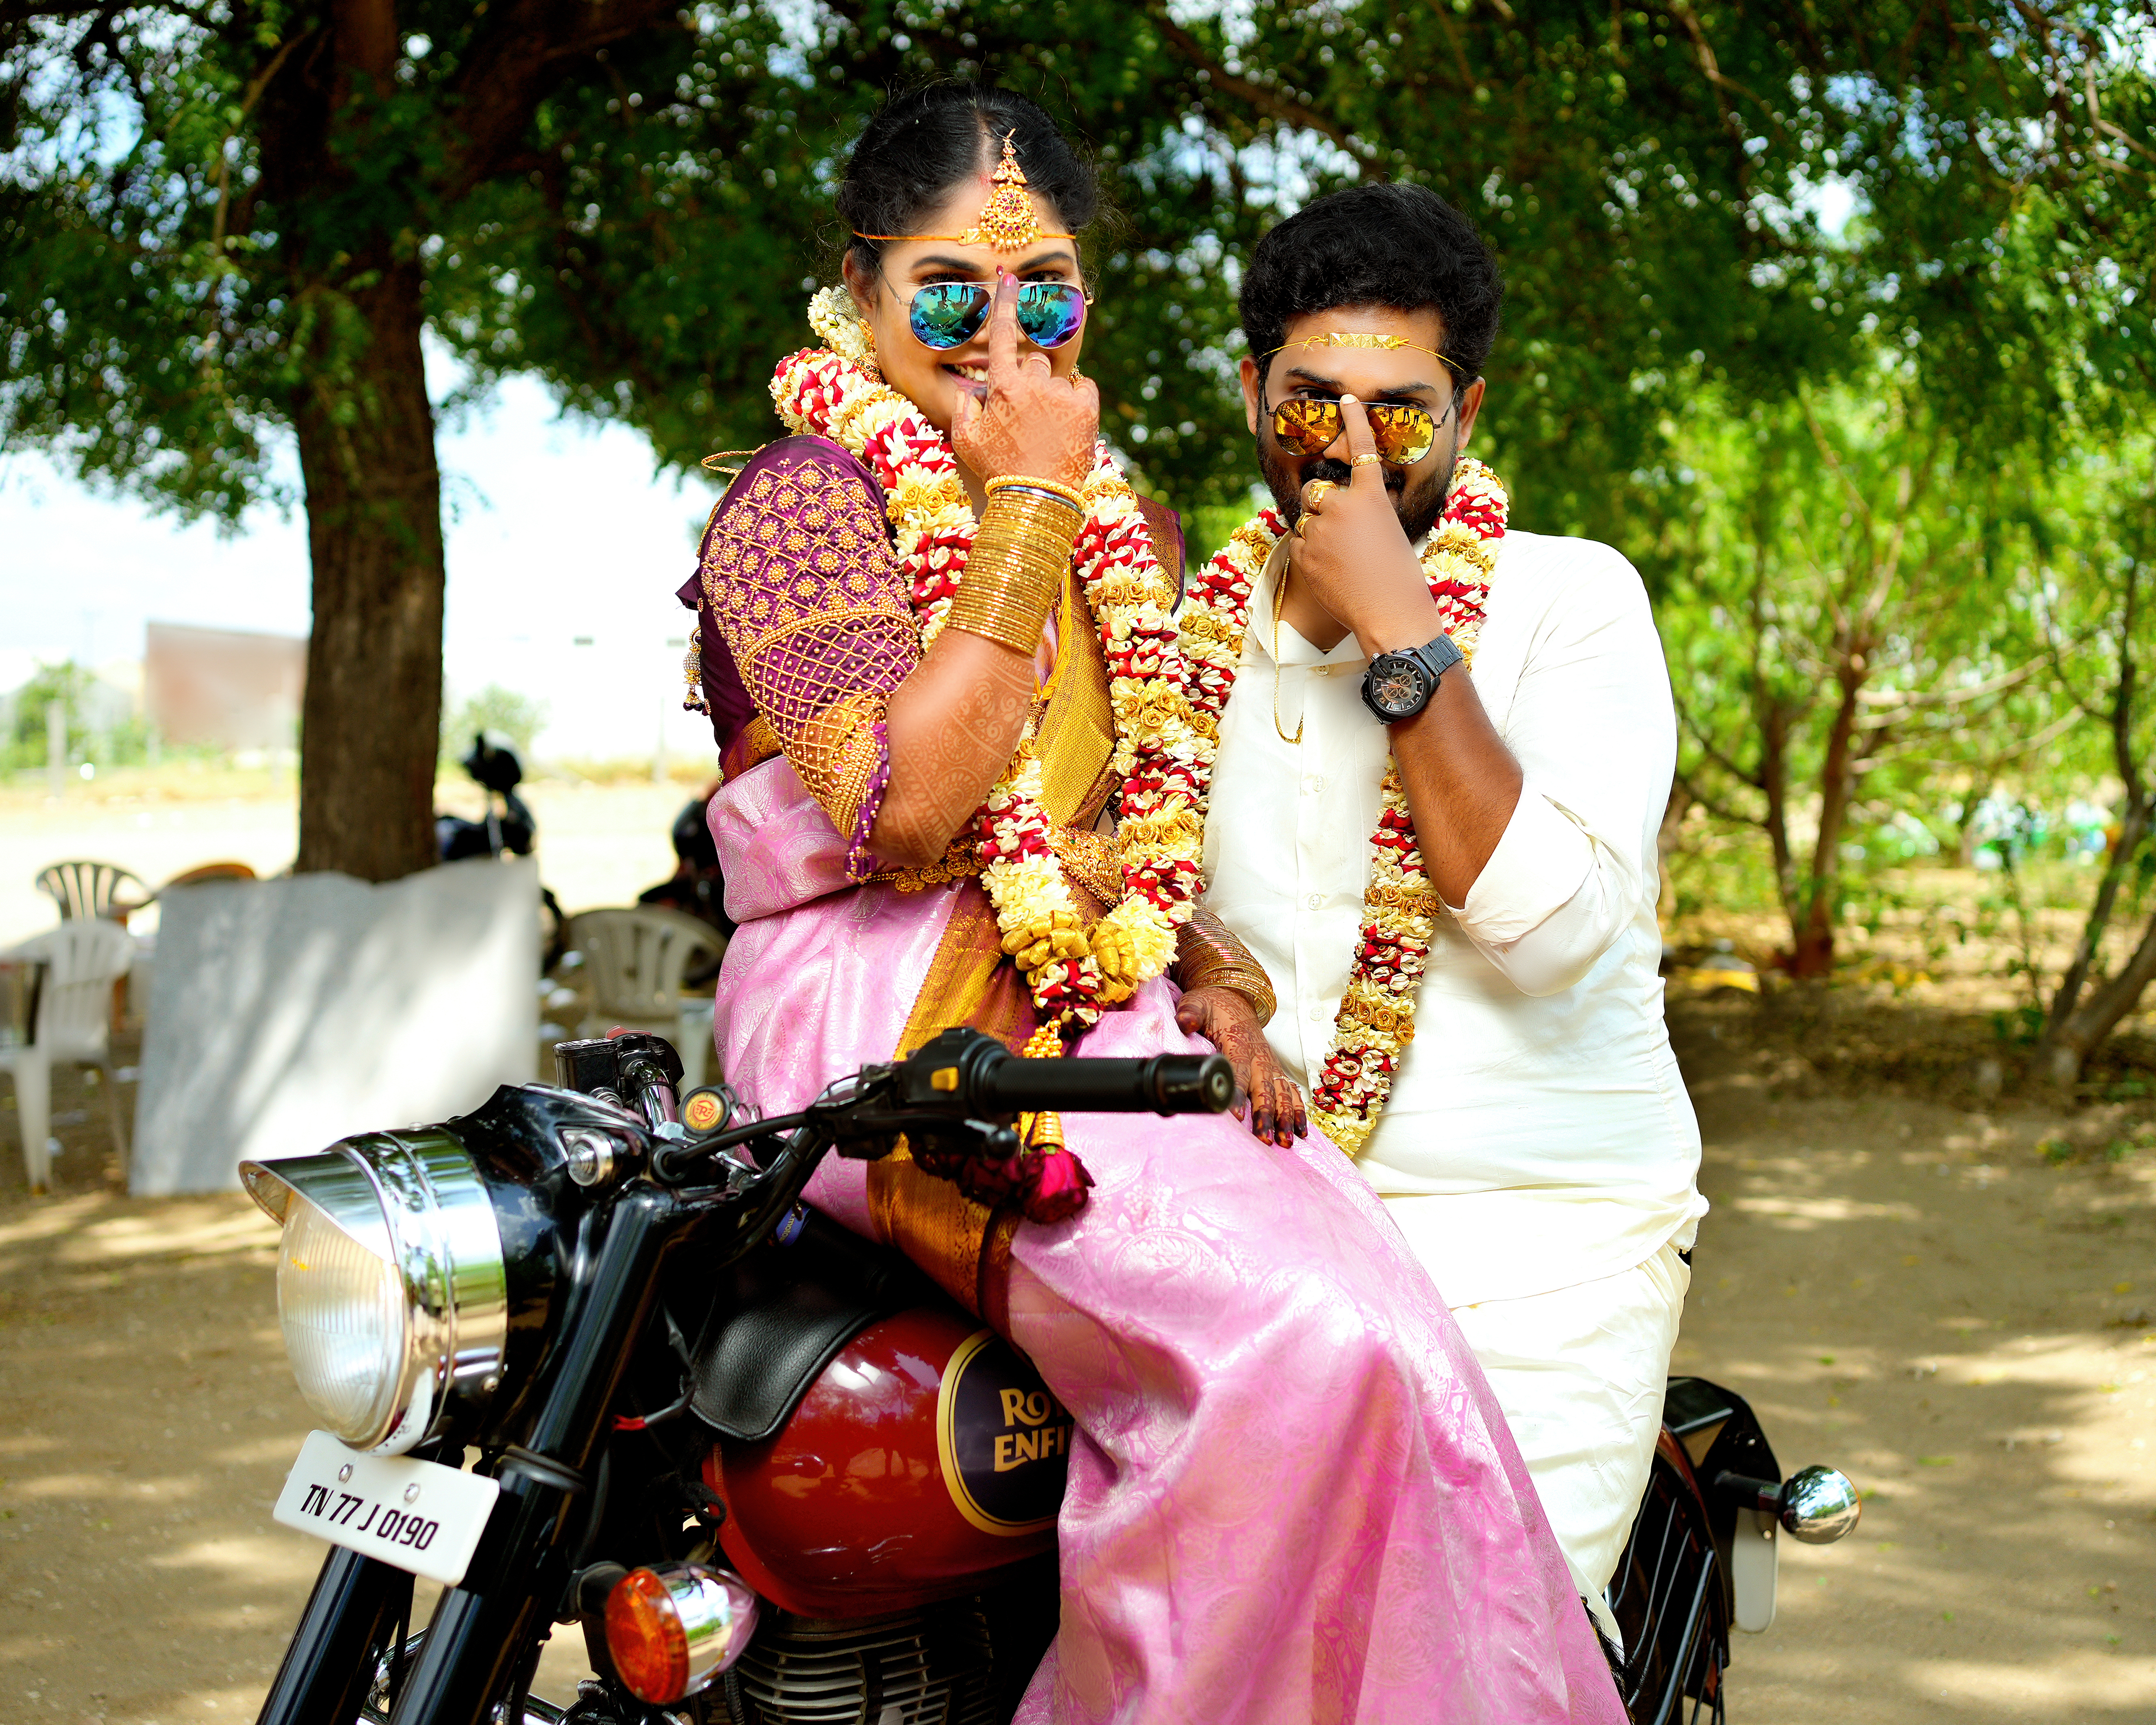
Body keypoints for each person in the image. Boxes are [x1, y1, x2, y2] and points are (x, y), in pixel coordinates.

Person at [677, 85, 1624, 1723]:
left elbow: (1114, 833)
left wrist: (1211, 975)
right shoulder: (803, 499)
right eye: (947, 296)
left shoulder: (1137, 532)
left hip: (1088, 1012)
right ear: (860, 287)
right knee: (1292, 1349)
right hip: (880, 1018)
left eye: (1042, 292)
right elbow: (905, 814)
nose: (997, 338)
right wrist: (1030, 502)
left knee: (1377, 1349)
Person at [1183, 181, 1708, 1643]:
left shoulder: (1567, 603)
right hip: (1268, 1239)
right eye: (1311, 403)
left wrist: (1402, 622)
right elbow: (1135, 901)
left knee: (1468, 1652)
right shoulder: (1171, 640)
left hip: (1545, 1237)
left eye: (1399, 410)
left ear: (1467, 409)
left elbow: (1544, 934)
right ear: (1249, 395)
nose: (1351, 447)